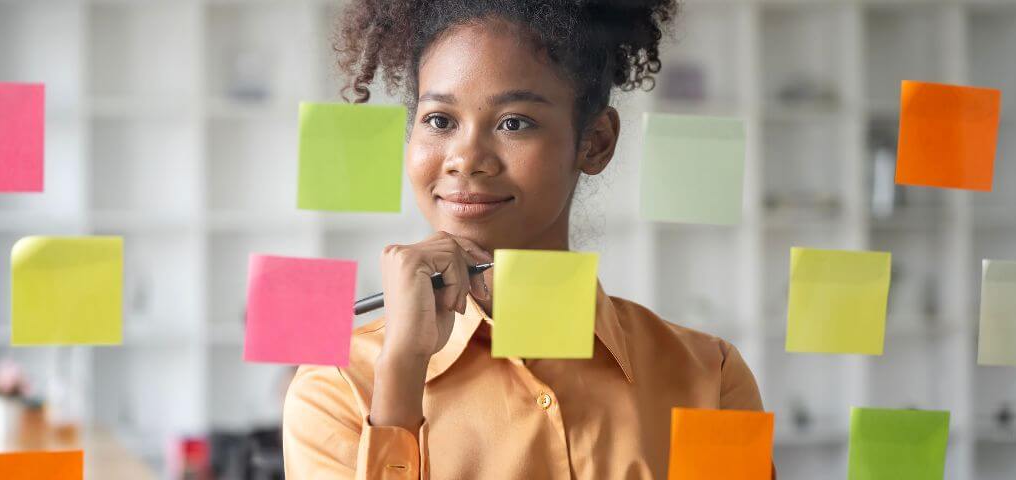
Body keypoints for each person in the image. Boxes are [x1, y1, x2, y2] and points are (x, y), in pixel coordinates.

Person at [283, 1, 766, 478]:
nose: (466, 158)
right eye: (439, 121)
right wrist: (401, 377)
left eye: (514, 122)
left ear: (595, 142)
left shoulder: (709, 375)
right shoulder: (336, 387)